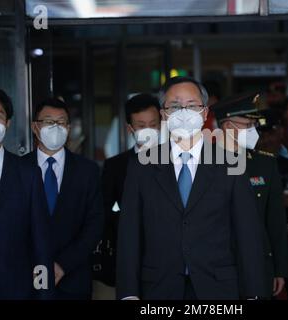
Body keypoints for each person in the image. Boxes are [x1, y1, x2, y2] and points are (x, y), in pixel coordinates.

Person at [116, 77, 268, 300]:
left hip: (219, 289)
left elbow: (247, 235)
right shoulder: (142, 165)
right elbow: (129, 235)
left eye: (192, 105)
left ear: (205, 113)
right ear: (164, 114)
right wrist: (128, 294)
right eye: (175, 106)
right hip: (159, 289)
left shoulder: (231, 163)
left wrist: (254, 294)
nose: (184, 112)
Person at [0, 86, 54, 299]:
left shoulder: (29, 174)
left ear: (7, 124)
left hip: (16, 288)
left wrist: (44, 294)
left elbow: (40, 242)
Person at [23, 97, 104, 300]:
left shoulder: (88, 171)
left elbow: (95, 224)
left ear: (68, 128)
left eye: (61, 122)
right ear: (35, 127)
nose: (55, 128)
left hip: (73, 281)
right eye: (49, 122)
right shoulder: (17, 168)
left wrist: (62, 265)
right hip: (25, 279)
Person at [213, 93, 288, 299]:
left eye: (255, 125)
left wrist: (279, 269)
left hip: (258, 264)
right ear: (227, 127)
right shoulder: (203, 163)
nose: (254, 131)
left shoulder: (265, 163)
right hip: (215, 267)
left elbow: (275, 221)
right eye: (247, 125)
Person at [97, 93, 161, 293]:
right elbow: (104, 210)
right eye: (142, 126)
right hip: (129, 254)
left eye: (153, 124)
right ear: (130, 129)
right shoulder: (116, 166)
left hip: (170, 257)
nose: (149, 130)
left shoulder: (177, 160)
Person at [257, 109, 288, 299]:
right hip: (262, 242)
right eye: (261, 133)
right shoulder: (246, 163)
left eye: (270, 132)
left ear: (281, 131)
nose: (266, 138)